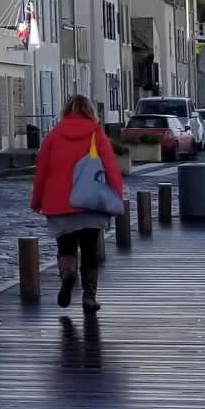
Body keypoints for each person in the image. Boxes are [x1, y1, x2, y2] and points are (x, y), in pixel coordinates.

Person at [30, 92, 126, 314]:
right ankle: (89, 298)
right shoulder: (96, 133)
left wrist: (37, 201)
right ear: (89, 111)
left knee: (66, 248)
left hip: (59, 204)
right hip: (90, 203)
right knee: (90, 251)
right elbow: (111, 168)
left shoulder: (53, 136)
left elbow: (41, 172)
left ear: (66, 110)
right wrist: (115, 198)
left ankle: (69, 273)